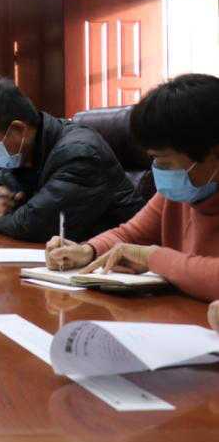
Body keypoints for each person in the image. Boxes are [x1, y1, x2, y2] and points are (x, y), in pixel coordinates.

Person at [46, 74, 219, 301]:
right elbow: (130, 236)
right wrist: (88, 251)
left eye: (165, 162)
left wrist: (153, 258)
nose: (159, 171)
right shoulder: (178, 195)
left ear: (214, 153)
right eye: (154, 160)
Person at [0, 78, 144, 243]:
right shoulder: (23, 154)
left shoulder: (80, 154)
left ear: (19, 129)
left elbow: (31, 225)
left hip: (121, 256)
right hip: (69, 253)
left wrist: (0, 217)